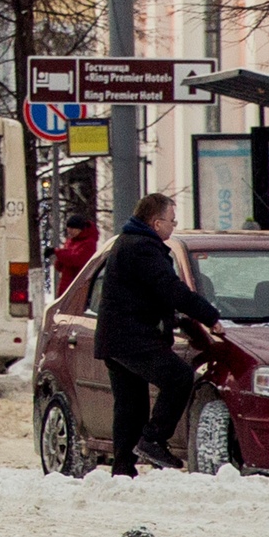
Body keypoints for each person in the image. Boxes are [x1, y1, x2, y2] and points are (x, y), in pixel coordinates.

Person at [94, 193, 221, 475]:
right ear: (155, 222)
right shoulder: (142, 248)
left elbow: (147, 293)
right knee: (178, 377)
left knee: (130, 405)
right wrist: (209, 316)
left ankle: (123, 468)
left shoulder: (129, 243)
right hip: (132, 338)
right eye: (172, 220)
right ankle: (152, 439)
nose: (174, 226)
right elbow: (170, 288)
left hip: (118, 338)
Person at [52, 209, 99, 289]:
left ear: (80, 229)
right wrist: (59, 261)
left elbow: (76, 259)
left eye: (72, 229)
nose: (70, 232)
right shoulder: (70, 241)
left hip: (79, 284)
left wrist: (58, 252)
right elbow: (62, 265)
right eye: (68, 229)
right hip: (67, 284)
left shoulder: (89, 243)